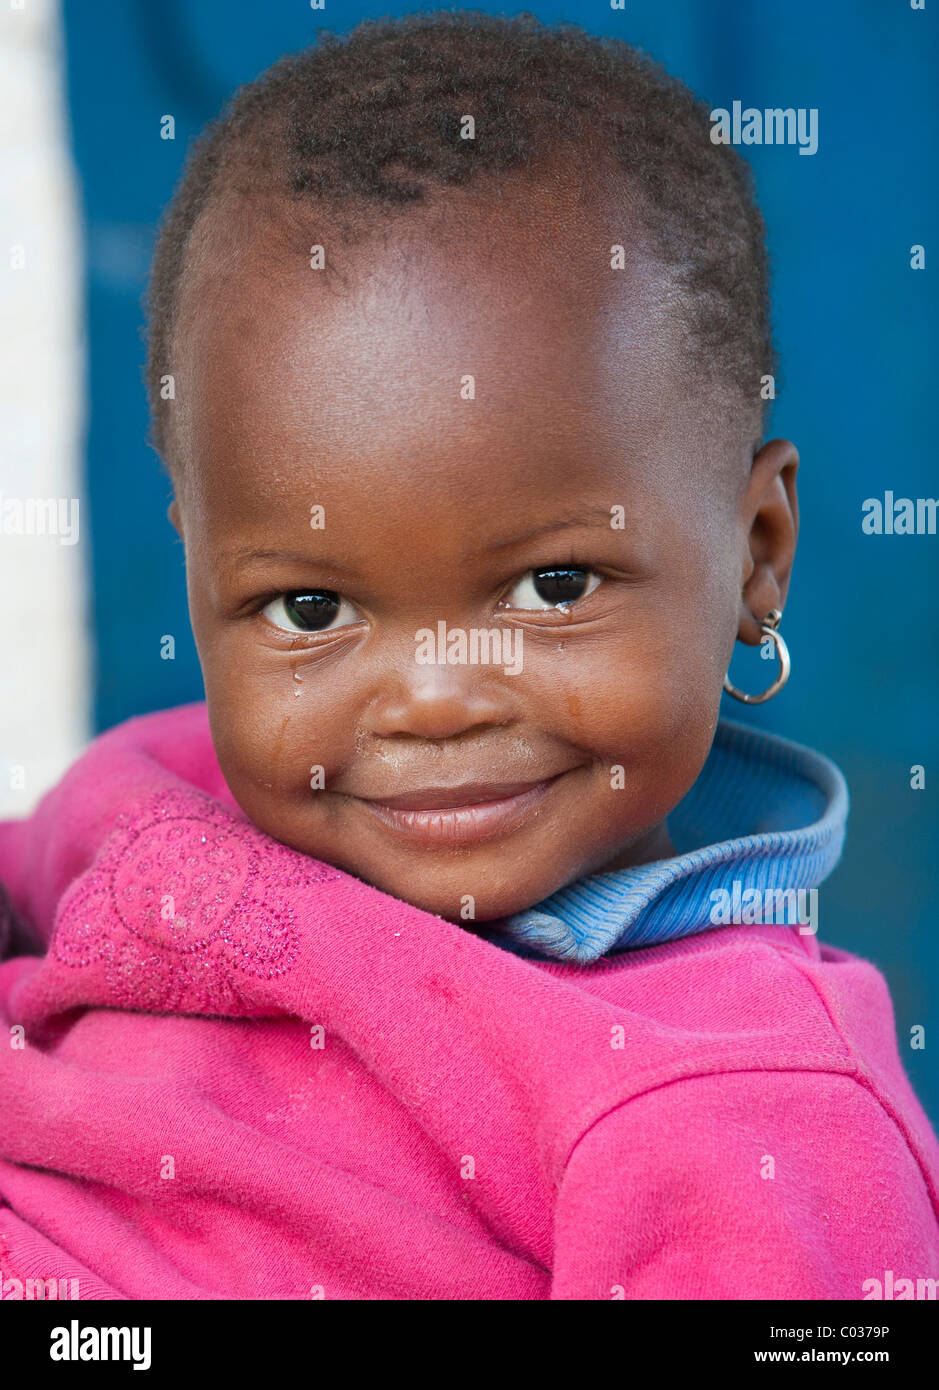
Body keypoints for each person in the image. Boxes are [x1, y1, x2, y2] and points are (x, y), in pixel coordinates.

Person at [1, 12, 936, 1300]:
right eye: (311, 611)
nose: (431, 695)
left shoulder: (743, 1115)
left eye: (555, 586)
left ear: (758, 550)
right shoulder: (160, 791)